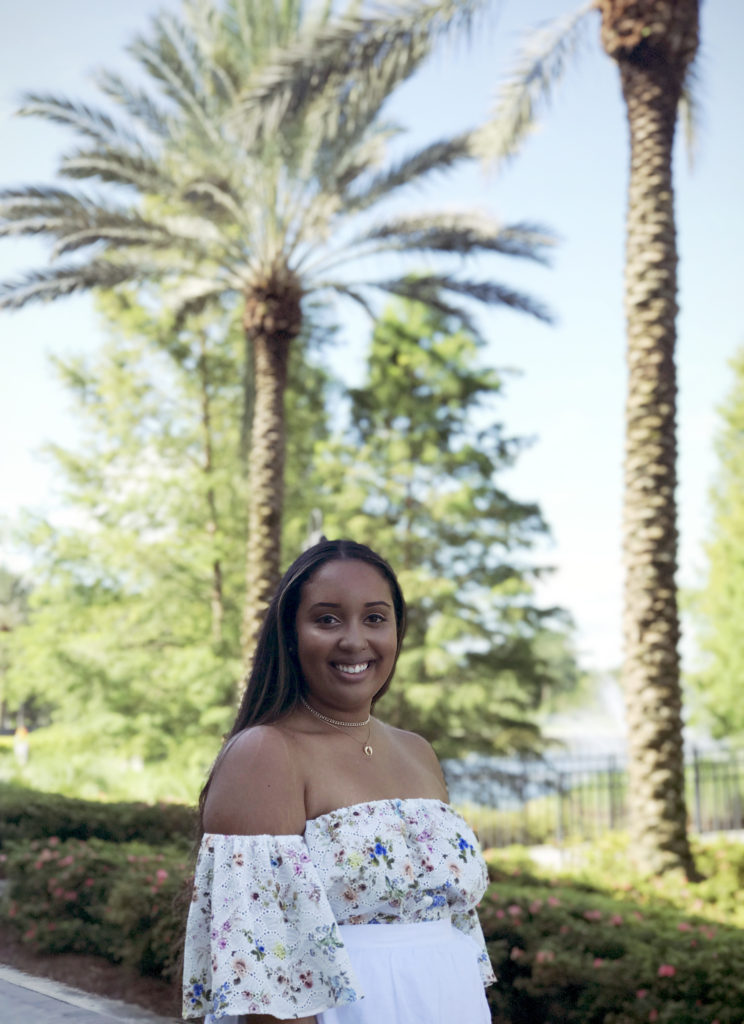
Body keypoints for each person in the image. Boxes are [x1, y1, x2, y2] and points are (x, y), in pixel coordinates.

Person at [182, 539, 495, 1023]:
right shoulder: (266, 754)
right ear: (290, 634)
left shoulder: (418, 752)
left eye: (375, 618)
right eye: (327, 619)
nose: (354, 640)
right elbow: (267, 984)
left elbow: (454, 931)